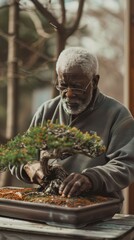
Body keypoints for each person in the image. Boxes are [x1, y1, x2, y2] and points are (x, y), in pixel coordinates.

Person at [10, 47, 134, 207]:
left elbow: (127, 164)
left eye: (77, 87)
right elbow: (17, 156)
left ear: (95, 81)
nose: (68, 94)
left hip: (98, 208)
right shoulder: (47, 111)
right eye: (63, 86)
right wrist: (31, 167)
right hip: (50, 203)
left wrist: (91, 178)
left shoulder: (117, 115)